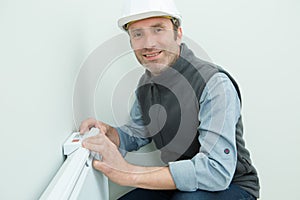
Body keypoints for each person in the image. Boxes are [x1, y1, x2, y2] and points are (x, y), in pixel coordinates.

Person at [79, 0, 260, 199]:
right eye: (138, 34)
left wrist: (129, 173)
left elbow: (216, 171)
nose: (149, 44)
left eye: (158, 30)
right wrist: (112, 134)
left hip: (232, 185)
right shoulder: (146, 84)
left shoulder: (214, 83)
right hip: (180, 183)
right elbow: (140, 131)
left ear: (178, 34)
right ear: (131, 41)